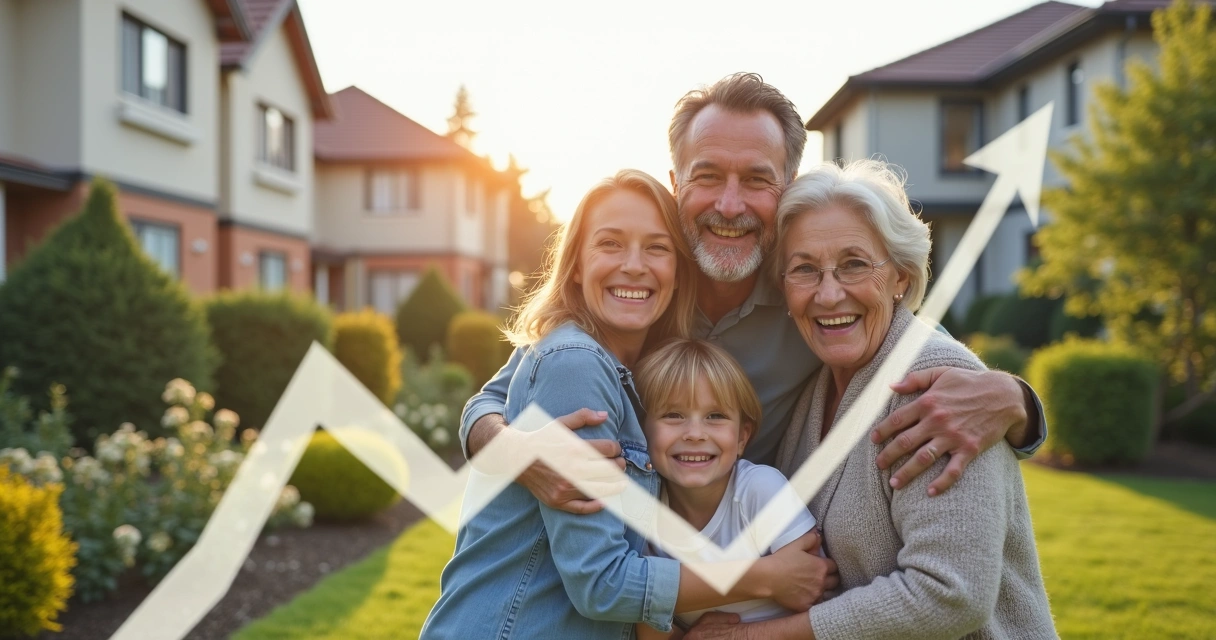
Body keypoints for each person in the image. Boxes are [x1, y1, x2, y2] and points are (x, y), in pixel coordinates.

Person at [461, 73, 1047, 519]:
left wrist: (1015, 400)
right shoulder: (638, 287)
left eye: (757, 180)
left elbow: (917, 343)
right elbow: (486, 405)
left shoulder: (815, 292)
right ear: (676, 184)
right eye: (708, 176)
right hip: (633, 559)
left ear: (786, 187)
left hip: (762, 555)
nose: (731, 205)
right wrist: (518, 452)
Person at [420, 170, 834, 640]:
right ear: (575, 264)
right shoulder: (574, 361)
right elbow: (601, 585)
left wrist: (940, 371)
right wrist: (764, 576)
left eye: (656, 248)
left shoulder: (641, 364)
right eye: (610, 244)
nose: (634, 265)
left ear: (679, 271)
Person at [685, 160, 1056, 639]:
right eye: (804, 270)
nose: (829, 293)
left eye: (855, 264)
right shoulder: (818, 387)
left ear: (900, 277)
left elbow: (950, 594)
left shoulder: (939, 388)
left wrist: (755, 637)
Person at [633, 338, 821, 640]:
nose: (695, 434)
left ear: (742, 438)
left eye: (715, 416)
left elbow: (814, 591)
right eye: (673, 415)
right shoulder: (643, 518)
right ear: (642, 432)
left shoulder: (760, 489)